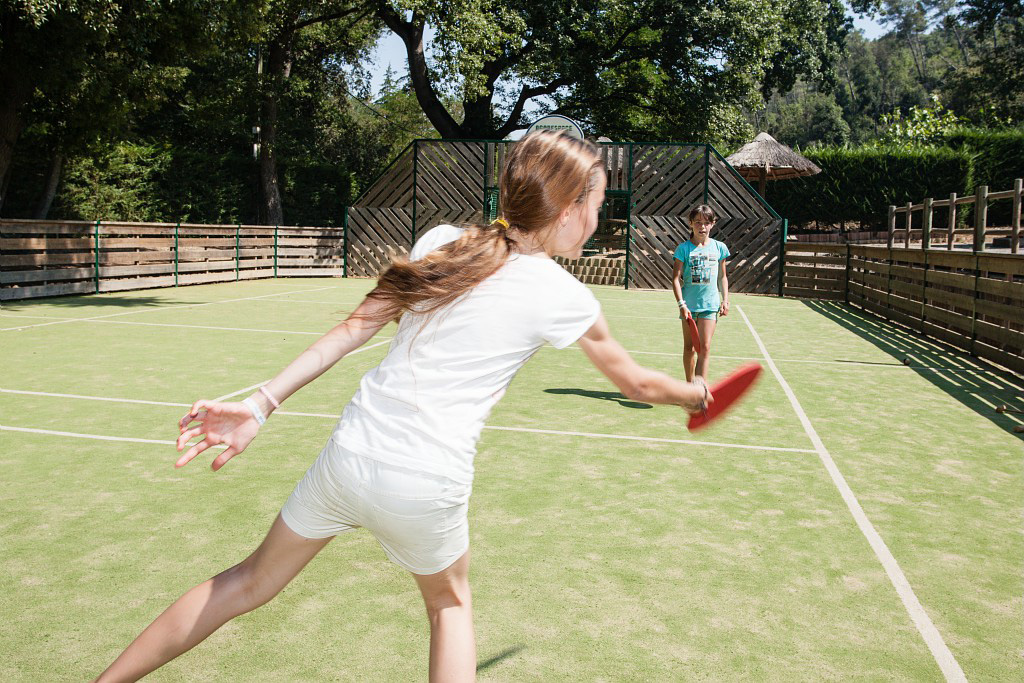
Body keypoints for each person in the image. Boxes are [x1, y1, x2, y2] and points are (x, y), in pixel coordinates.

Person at [94, 131, 711, 683]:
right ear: (569, 209)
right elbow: (638, 383)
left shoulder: (443, 240)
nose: (598, 220)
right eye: (597, 204)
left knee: (248, 582)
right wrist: (694, 393)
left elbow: (353, 327)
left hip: (349, 456)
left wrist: (259, 404)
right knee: (450, 606)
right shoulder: (562, 294)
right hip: (424, 480)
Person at [671, 204, 730, 382]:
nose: (702, 226)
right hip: (688, 307)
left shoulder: (719, 248)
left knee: (704, 348)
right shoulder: (683, 249)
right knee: (689, 348)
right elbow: (675, 279)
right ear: (690, 223)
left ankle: (700, 389)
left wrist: (725, 300)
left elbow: (722, 277)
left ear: (713, 224)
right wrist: (681, 305)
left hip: (710, 306)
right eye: (697, 222)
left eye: (706, 222)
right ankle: (689, 387)